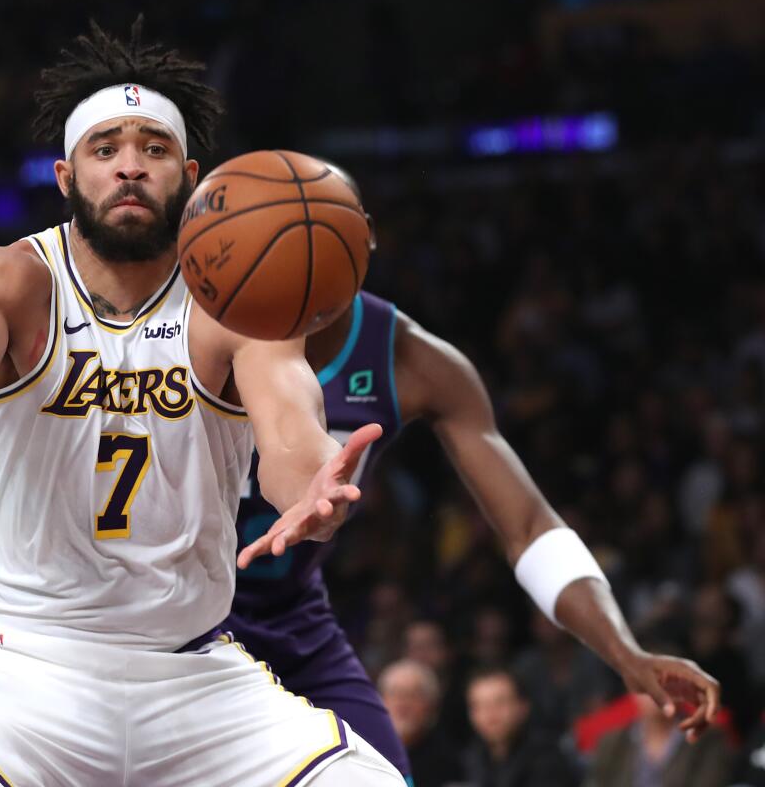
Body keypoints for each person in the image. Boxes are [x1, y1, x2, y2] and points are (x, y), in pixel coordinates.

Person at [0, 19, 405, 787]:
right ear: (64, 175)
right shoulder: (8, 278)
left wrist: (321, 489)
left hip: (194, 675)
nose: (129, 167)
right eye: (105, 148)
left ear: (191, 176)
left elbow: (293, 445)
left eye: (153, 149)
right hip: (24, 672)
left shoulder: (237, 306)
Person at [225, 162, 724, 779]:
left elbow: (529, 525)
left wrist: (625, 651)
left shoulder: (413, 360)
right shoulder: (187, 335)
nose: (303, 262)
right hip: (179, 613)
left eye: (322, 238)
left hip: (289, 616)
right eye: (283, 243)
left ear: (366, 240)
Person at [585, 692, 734, 787]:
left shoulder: (707, 739)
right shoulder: (613, 742)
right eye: (645, 687)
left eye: (663, 685)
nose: (653, 694)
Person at [463, 666, 579, 787]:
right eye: (479, 706)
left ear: (523, 707)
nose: (490, 715)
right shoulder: (471, 758)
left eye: (500, 703)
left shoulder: (547, 759)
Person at [378, 659, 463, 787]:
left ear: (432, 704)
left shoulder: (452, 761)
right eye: (394, 693)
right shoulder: (365, 752)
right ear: (380, 701)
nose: (402, 704)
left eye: (412, 695)